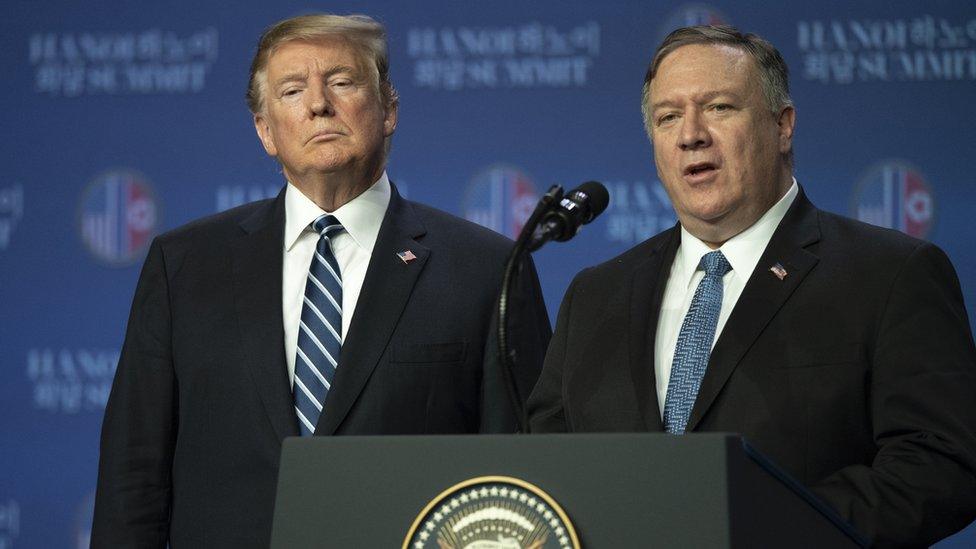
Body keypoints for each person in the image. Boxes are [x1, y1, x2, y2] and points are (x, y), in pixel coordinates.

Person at [92, 14, 550, 547]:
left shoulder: (487, 269)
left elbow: (521, 480)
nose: (318, 104)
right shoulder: (184, 265)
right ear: (265, 131)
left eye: (341, 81)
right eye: (291, 90)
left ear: (389, 111)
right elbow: (134, 477)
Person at [527, 25, 976, 547]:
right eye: (667, 117)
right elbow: (545, 464)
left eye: (718, 107)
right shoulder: (596, 294)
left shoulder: (890, 274)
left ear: (783, 125)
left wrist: (769, 529)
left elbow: (940, 462)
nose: (690, 134)